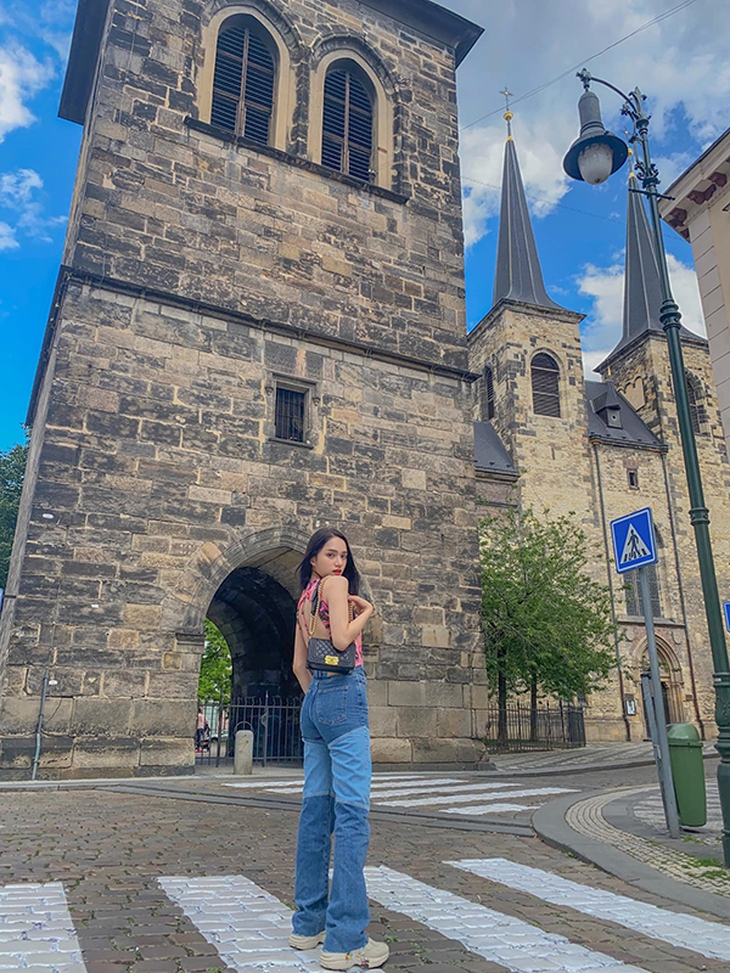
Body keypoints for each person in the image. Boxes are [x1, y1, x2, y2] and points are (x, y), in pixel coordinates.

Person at [289, 528, 389, 971]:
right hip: (345, 694)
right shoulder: (336, 586)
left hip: (314, 701)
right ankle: (346, 940)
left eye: (344, 556)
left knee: (315, 810)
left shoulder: (302, 601)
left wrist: (318, 698)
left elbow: (299, 665)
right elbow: (344, 641)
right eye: (330, 554)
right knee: (351, 813)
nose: (339, 562)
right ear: (313, 559)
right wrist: (366, 611)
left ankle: (307, 925)